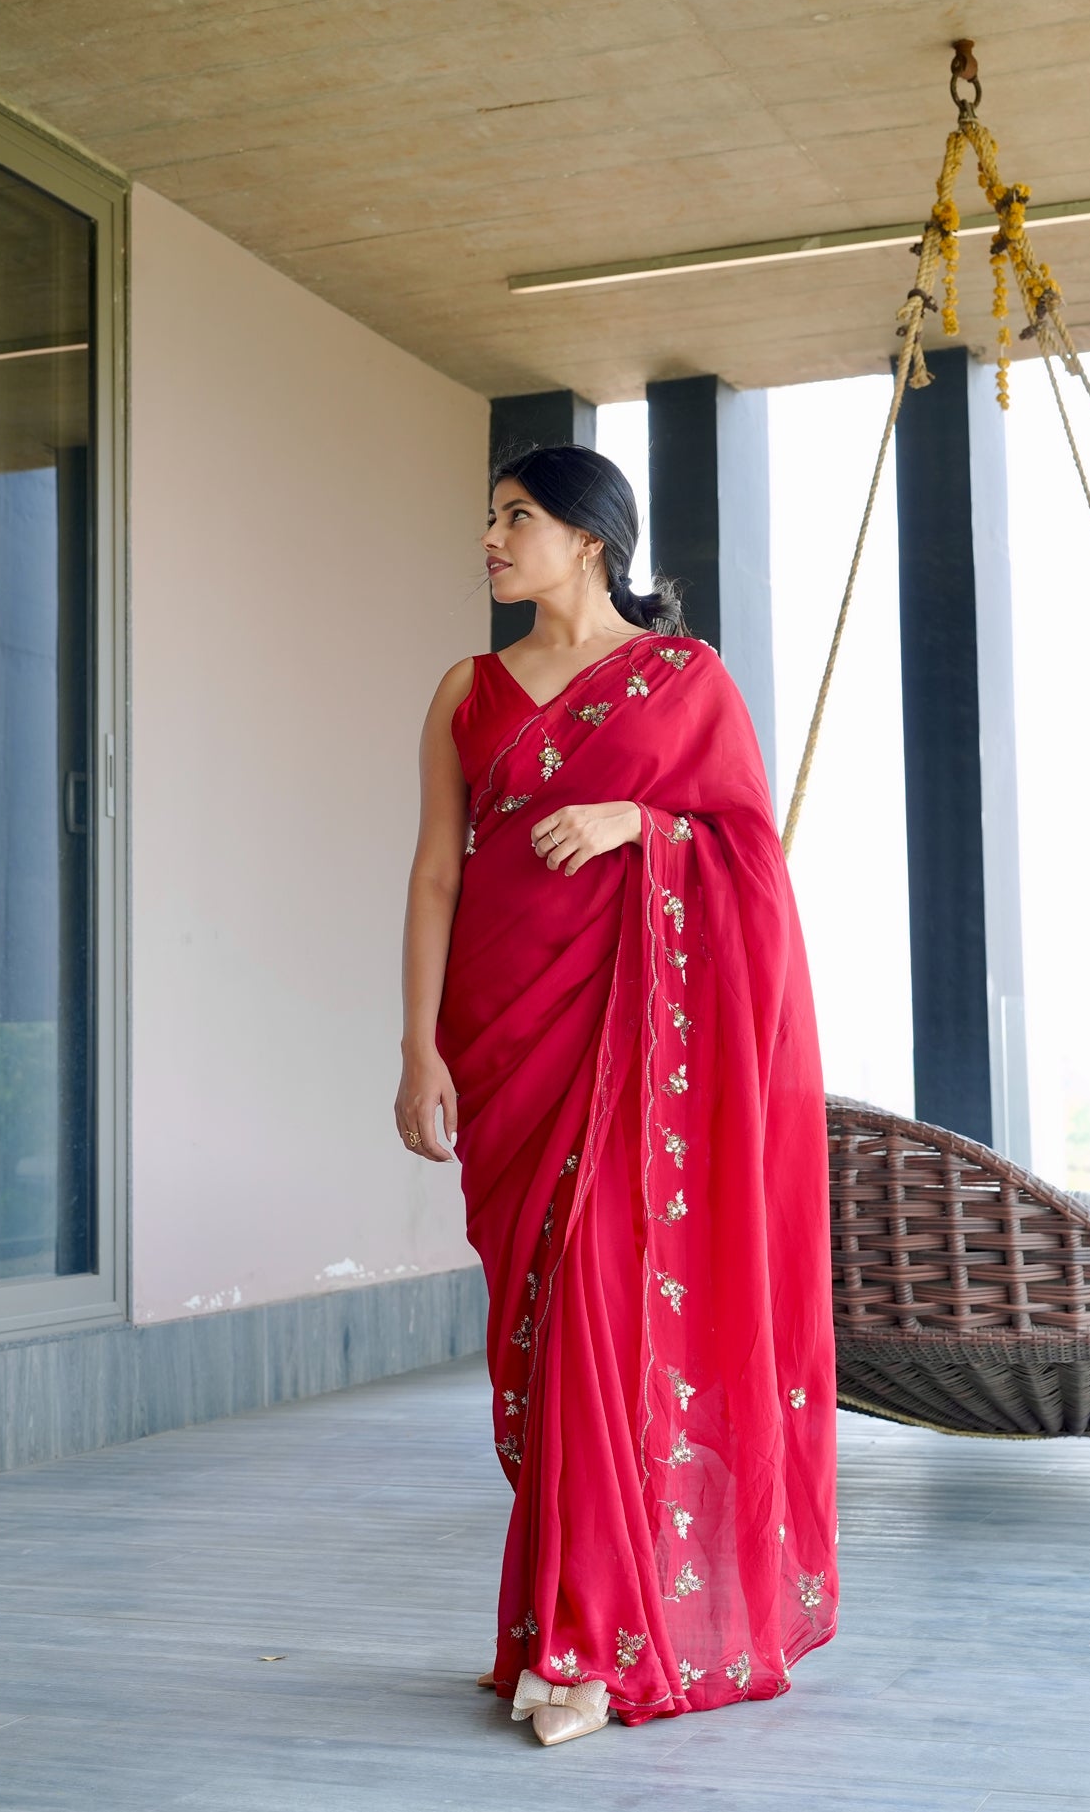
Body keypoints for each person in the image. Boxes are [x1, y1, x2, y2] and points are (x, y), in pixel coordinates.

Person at [395, 443, 838, 1747]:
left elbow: (751, 859)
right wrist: (416, 1047)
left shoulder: (681, 681)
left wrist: (641, 828)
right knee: (537, 1339)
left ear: (590, 537)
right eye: (489, 517)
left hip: (631, 1058)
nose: (489, 537)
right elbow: (435, 875)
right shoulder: (464, 691)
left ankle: (581, 1650)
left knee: (600, 1303)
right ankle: (565, 1621)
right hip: (500, 1040)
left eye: (514, 517)